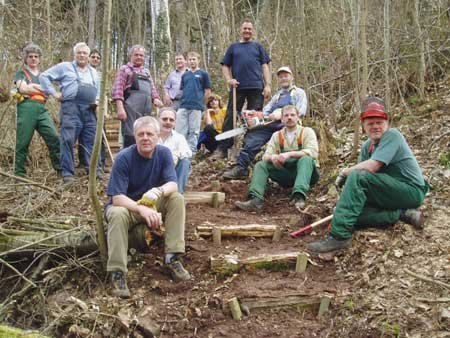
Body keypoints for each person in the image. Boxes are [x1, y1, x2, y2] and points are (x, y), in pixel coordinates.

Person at [307, 97, 429, 254]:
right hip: (386, 192)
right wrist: (343, 206)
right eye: (370, 123)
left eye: (379, 122)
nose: (375, 126)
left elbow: (369, 168)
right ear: (363, 125)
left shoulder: (393, 136)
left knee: (357, 177)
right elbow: (359, 185)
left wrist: (345, 172)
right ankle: (401, 214)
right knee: (344, 212)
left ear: (387, 122)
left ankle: (339, 237)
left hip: (410, 191)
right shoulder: (367, 146)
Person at [106, 116, 190, 298]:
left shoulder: (164, 153)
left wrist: (157, 192)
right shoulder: (123, 158)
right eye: (141, 134)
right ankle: (117, 272)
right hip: (128, 207)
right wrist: (142, 209)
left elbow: (173, 185)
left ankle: (172, 258)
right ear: (134, 137)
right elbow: (117, 198)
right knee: (117, 213)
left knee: (176, 198)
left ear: (157, 136)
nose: (145, 138)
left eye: (150, 134)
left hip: (151, 203)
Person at [223, 66, 307, 179]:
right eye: (281, 77)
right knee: (253, 137)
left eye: (285, 76)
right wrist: (253, 114)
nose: (283, 78)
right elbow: (265, 112)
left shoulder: (299, 93)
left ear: (291, 77)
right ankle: (241, 168)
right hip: (271, 125)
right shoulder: (277, 96)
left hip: (289, 125)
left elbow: (301, 112)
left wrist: (284, 115)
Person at [235, 105, 319, 211]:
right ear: (282, 119)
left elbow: (313, 152)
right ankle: (256, 200)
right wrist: (273, 157)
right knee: (261, 165)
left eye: (292, 115)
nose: (289, 118)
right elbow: (266, 156)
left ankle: (299, 197)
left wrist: (289, 154)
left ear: (298, 117)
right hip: (286, 174)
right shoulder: (276, 135)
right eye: (286, 115)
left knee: (306, 159)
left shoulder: (307, 132)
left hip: (308, 175)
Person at [40, 42, 99, 185]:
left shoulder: (94, 72)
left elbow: (97, 90)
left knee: (89, 140)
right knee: (67, 139)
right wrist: (54, 93)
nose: (82, 55)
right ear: (74, 54)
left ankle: (90, 170)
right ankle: (68, 174)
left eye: (85, 53)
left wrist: (96, 102)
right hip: (71, 108)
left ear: (88, 56)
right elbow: (43, 76)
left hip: (89, 109)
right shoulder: (65, 67)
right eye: (79, 52)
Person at [213, 19, 271, 159]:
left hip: (257, 87)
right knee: (230, 116)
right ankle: (223, 148)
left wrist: (268, 84)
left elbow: (265, 66)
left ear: (253, 31)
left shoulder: (258, 47)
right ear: (241, 29)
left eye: (249, 29)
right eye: (245, 28)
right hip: (237, 87)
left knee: (255, 119)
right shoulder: (233, 47)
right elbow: (225, 66)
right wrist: (229, 80)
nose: (247, 31)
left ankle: (250, 149)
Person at [13, 43, 61, 177]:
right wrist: (41, 88)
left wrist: (33, 86)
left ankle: (60, 170)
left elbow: (48, 92)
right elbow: (23, 89)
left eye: (36, 56)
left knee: (54, 137)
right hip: (26, 107)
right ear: (26, 58)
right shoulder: (21, 73)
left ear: (39, 59)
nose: (33, 59)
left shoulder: (43, 75)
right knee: (23, 141)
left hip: (42, 109)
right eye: (30, 56)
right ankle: (19, 174)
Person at [112, 45, 163, 148]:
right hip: (130, 108)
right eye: (136, 55)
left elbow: (152, 88)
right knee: (130, 135)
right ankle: (128, 159)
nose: (139, 57)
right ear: (131, 56)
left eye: (141, 55)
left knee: (145, 132)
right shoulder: (124, 69)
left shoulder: (146, 72)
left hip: (146, 108)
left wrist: (156, 98)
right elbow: (118, 90)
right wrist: (120, 108)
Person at [175, 51, 211, 155]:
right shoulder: (185, 75)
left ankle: (191, 153)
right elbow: (182, 90)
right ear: (187, 61)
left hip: (196, 106)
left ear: (198, 60)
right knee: (180, 130)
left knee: (194, 131)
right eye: (190, 59)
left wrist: (202, 103)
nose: (192, 61)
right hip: (183, 105)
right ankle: (180, 152)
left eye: (194, 59)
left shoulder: (203, 74)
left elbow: (207, 91)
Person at [78, 49, 107, 171]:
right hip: (85, 107)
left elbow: (103, 93)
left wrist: (103, 110)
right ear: (88, 58)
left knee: (100, 134)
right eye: (93, 57)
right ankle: (84, 162)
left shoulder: (100, 74)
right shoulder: (83, 72)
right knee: (84, 136)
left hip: (98, 107)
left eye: (98, 57)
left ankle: (101, 162)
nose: (95, 59)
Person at [158, 108, 192, 194]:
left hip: (172, 173)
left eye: (171, 120)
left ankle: (177, 193)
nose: (168, 122)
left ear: (175, 123)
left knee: (185, 162)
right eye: (164, 119)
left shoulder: (179, 137)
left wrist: (176, 155)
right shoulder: (151, 135)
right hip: (153, 172)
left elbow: (187, 153)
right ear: (158, 120)